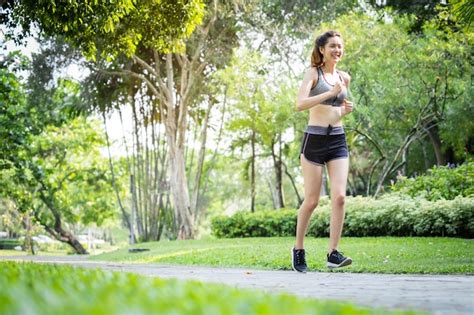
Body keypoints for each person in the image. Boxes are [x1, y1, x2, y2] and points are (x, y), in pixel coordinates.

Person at [291, 30, 353, 273]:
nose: (337, 50)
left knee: (339, 197)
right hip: (314, 140)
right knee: (312, 201)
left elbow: (335, 111)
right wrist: (330, 92)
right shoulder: (313, 74)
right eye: (332, 46)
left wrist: (344, 111)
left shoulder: (344, 77)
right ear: (322, 50)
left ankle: (333, 253)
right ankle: (298, 249)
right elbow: (299, 104)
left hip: (337, 139)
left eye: (340, 46)